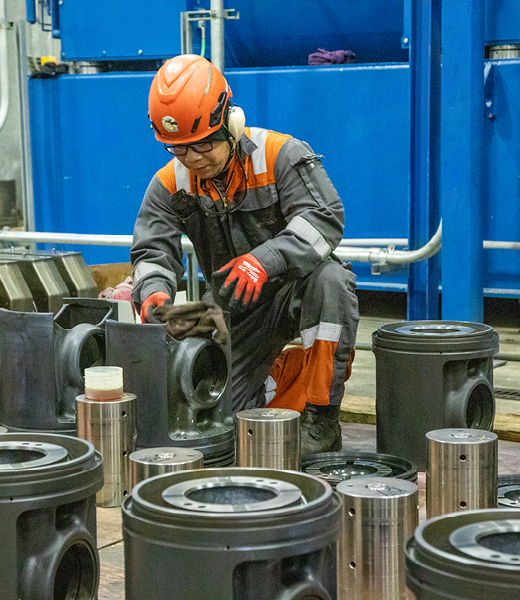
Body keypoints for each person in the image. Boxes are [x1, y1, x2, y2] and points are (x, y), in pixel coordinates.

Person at [130, 54, 359, 454]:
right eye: (179, 149)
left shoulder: (280, 155)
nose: (194, 158)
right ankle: (281, 386)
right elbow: (153, 249)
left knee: (332, 281)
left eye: (203, 144)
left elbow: (325, 218)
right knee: (215, 419)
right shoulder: (169, 183)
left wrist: (265, 259)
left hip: (294, 292)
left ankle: (321, 418)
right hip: (232, 307)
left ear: (230, 121)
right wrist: (152, 292)